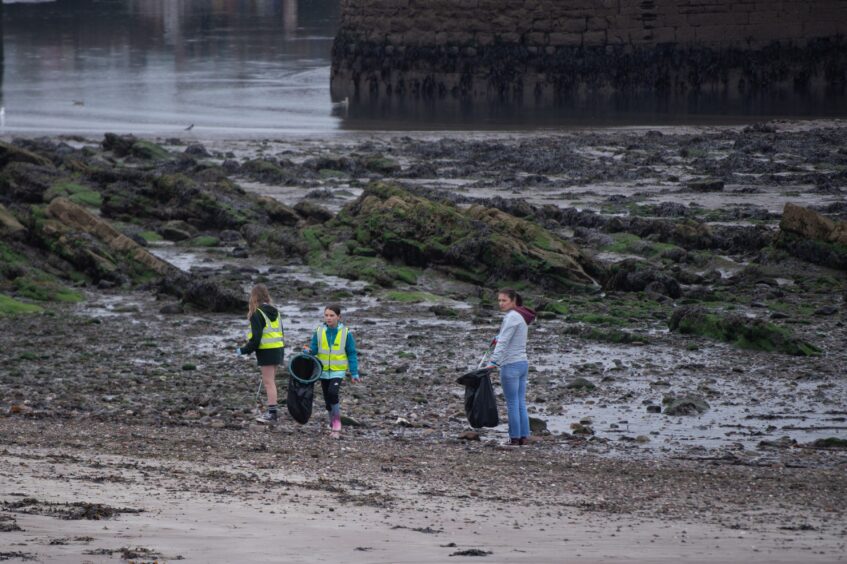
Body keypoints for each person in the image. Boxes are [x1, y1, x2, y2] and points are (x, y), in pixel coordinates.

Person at [487, 288, 536, 446]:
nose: (501, 303)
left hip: (510, 366)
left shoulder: (511, 317)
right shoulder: (521, 315)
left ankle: (514, 438)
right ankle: (524, 436)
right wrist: (497, 337)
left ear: (513, 300)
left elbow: (504, 342)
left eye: (504, 300)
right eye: (499, 300)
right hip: (523, 363)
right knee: (520, 401)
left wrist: (493, 362)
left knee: (513, 403)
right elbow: (507, 337)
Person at [305, 305, 359, 436]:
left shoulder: (346, 333)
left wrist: (354, 372)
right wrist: (308, 351)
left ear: (339, 317)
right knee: (327, 399)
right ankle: (332, 421)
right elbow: (314, 349)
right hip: (322, 371)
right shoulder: (318, 331)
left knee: (333, 393)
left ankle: (336, 423)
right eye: (326, 315)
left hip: (338, 371)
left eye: (332, 315)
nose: (328, 318)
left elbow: (351, 353)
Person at [236, 284, 285, 424]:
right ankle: (272, 412)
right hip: (278, 349)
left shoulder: (257, 314)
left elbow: (256, 339)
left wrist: (243, 350)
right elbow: (282, 333)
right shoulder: (276, 311)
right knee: (271, 382)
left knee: (269, 383)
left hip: (267, 351)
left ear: (254, 297)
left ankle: (272, 414)